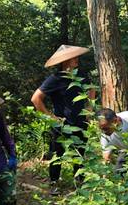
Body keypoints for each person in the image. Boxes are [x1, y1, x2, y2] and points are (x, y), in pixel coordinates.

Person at [31, 45, 96, 192]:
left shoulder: (80, 76)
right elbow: (36, 99)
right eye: (74, 58)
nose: (77, 59)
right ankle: (54, 183)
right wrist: (51, 117)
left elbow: (91, 89)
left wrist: (89, 109)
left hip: (80, 122)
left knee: (80, 152)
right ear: (66, 61)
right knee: (56, 154)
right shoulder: (54, 79)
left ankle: (80, 183)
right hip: (60, 124)